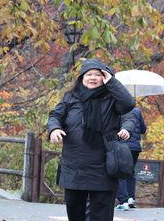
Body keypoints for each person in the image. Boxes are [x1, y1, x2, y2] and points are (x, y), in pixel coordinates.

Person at [48, 59, 135, 221]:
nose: (93, 77)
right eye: (89, 74)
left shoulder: (112, 100)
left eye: (98, 74)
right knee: (75, 211)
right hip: (74, 163)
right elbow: (55, 115)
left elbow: (129, 104)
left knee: (101, 214)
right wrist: (54, 128)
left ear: (105, 77)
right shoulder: (70, 97)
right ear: (81, 77)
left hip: (103, 164)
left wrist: (112, 82)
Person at [116, 107, 147, 210]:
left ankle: (123, 201)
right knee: (131, 172)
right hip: (135, 147)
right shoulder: (137, 110)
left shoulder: (118, 109)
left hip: (123, 145)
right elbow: (143, 129)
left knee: (120, 173)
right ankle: (130, 198)